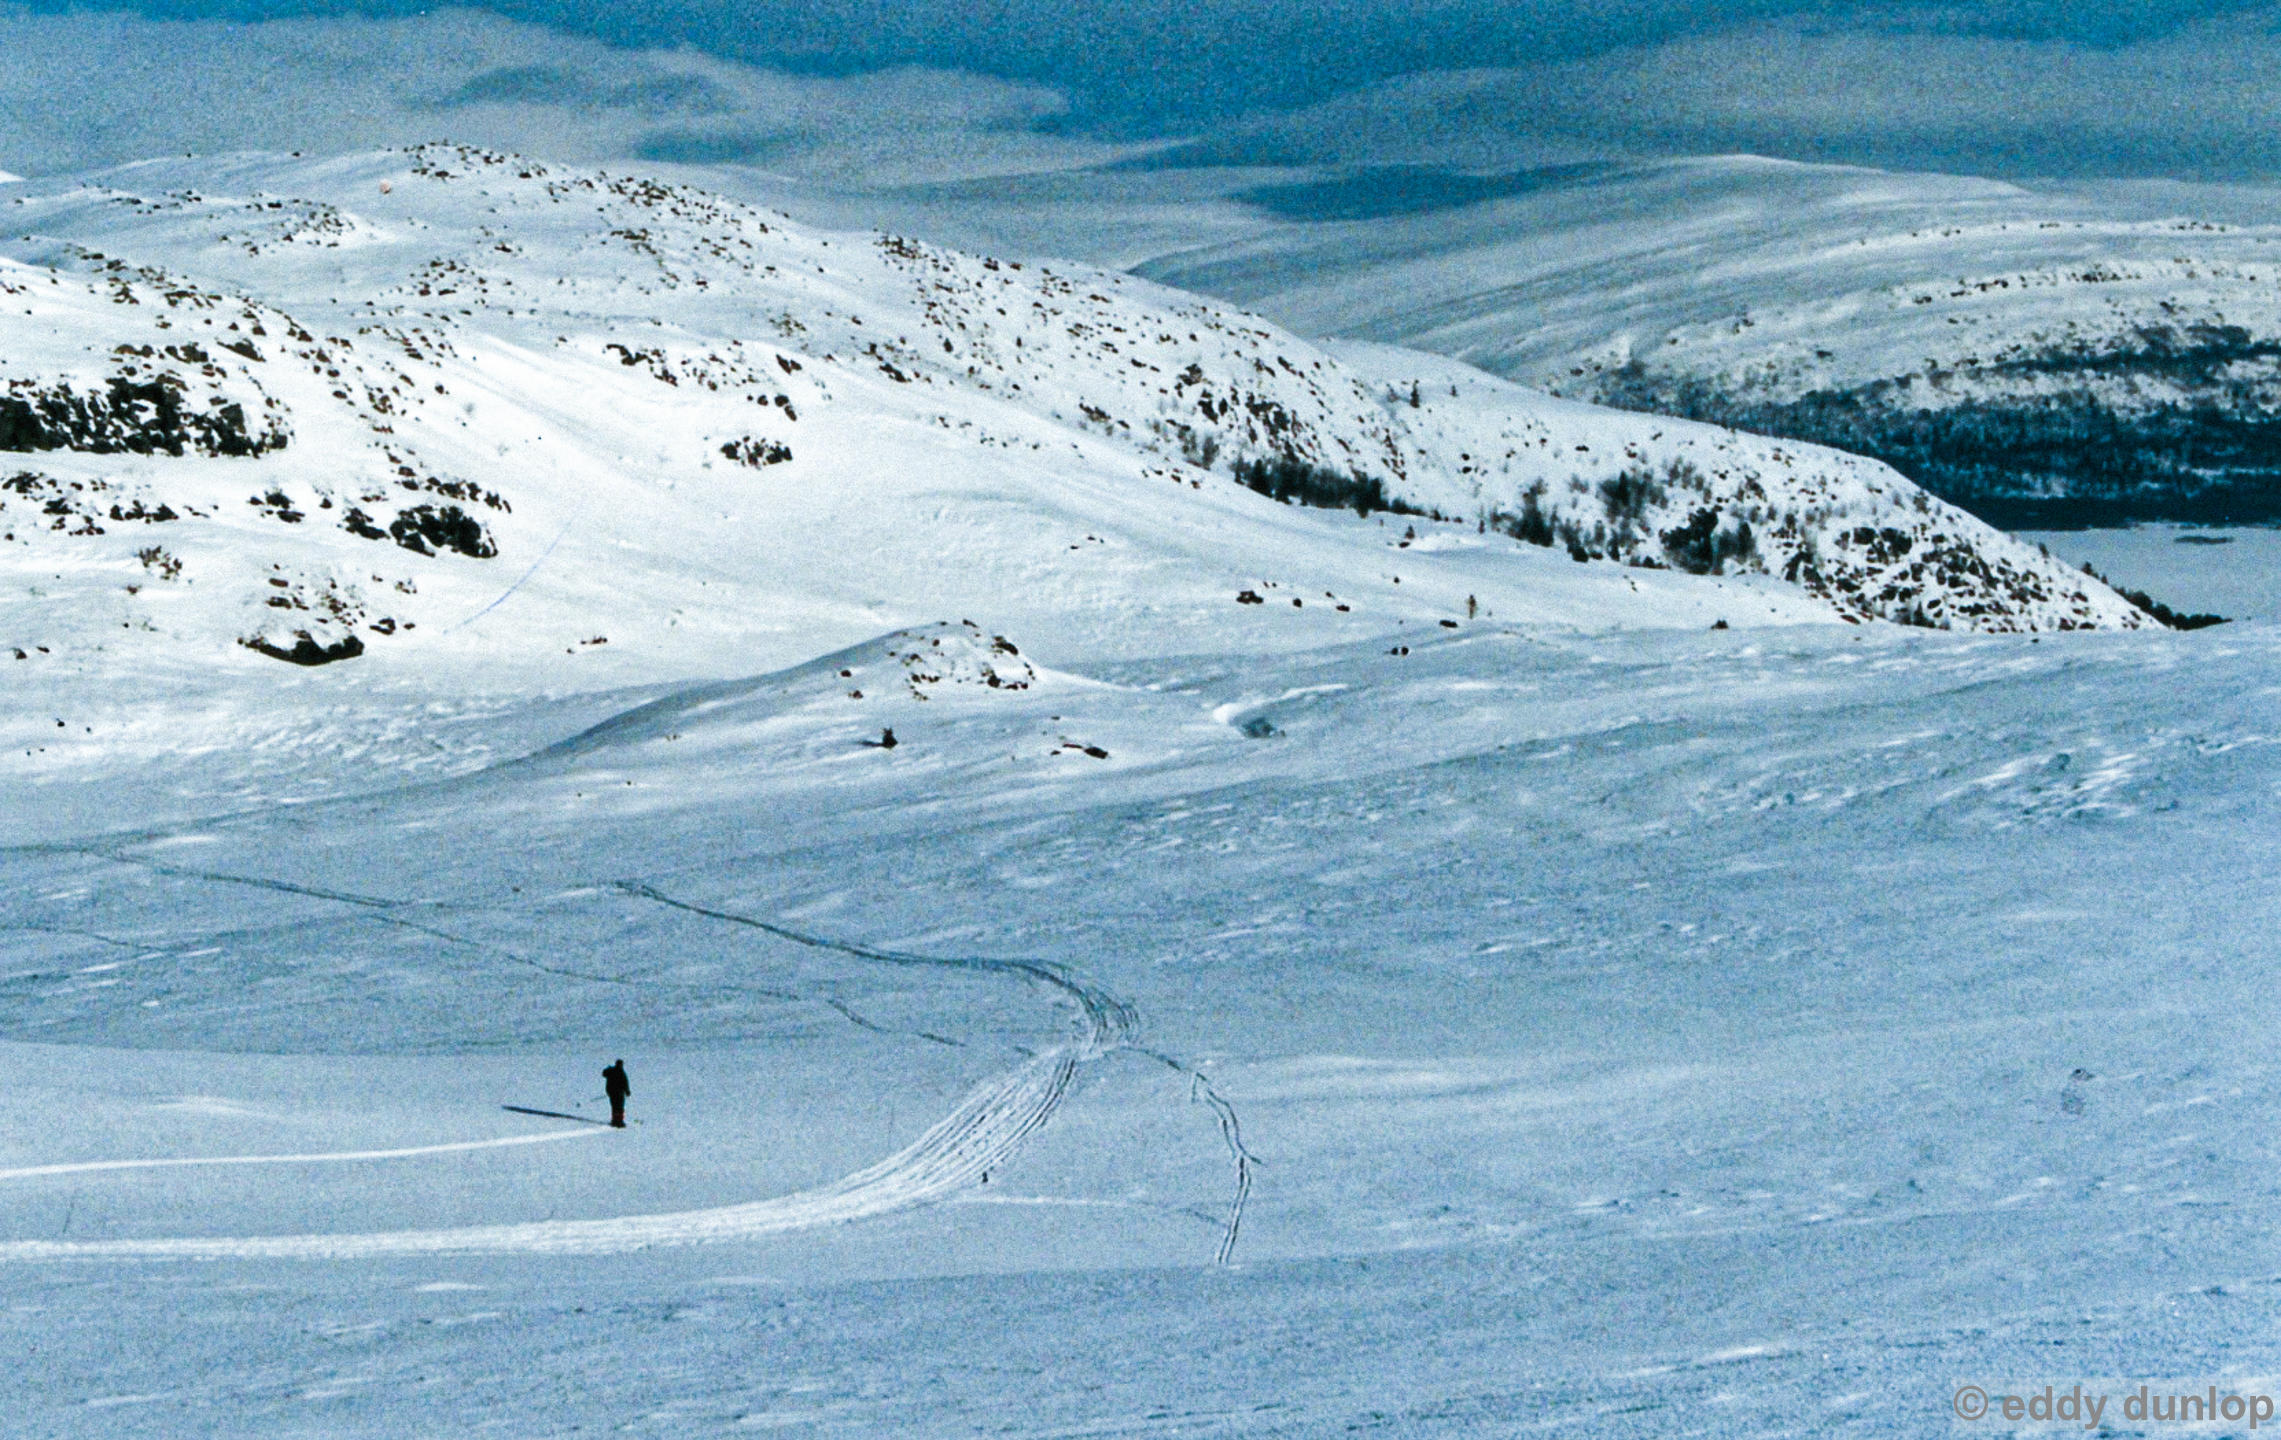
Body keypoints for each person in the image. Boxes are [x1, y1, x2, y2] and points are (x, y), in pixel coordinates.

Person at [603, 1058, 630, 1128]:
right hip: (619, 1093)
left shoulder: (611, 1071)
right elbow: (625, 1083)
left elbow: (604, 1074)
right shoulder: (621, 1072)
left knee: (614, 1107)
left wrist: (608, 1069)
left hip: (612, 1092)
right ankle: (619, 1121)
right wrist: (627, 1091)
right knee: (619, 1107)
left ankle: (614, 1120)